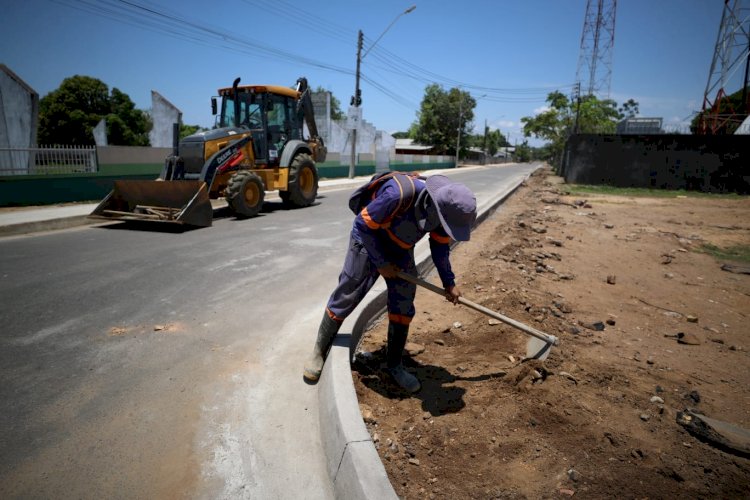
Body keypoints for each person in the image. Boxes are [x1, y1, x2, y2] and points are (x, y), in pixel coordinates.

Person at [303, 173, 477, 393]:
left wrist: (449, 283)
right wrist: (381, 263)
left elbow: (440, 248)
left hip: (400, 247)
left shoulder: (446, 214)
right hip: (368, 239)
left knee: (404, 301)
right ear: (433, 205)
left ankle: (394, 364)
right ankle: (319, 350)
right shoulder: (398, 194)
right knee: (349, 291)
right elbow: (362, 225)